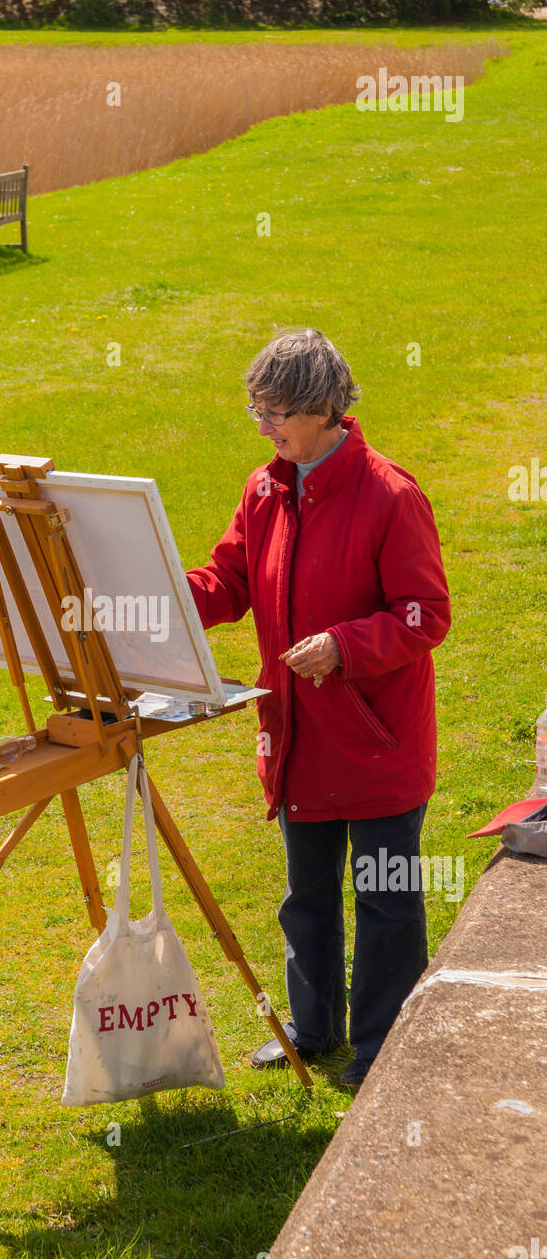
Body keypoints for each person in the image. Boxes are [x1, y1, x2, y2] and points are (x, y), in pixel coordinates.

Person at [185, 329, 451, 1088]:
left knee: (385, 903)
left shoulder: (391, 496)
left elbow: (423, 614)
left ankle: (382, 1045)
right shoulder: (264, 488)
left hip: (376, 745)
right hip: (298, 738)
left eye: (276, 412)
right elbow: (229, 582)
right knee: (306, 900)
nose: (263, 426)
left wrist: (342, 644)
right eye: (256, 410)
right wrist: (156, 595)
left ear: (326, 409)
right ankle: (314, 1027)